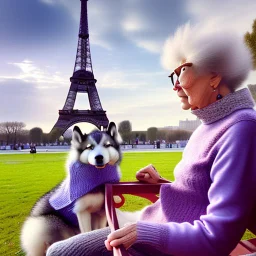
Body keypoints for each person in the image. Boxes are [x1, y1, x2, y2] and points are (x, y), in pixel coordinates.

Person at [46, 24, 256, 256]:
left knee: (60, 253)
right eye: (173, 76)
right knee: (58, 251)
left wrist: (144, 233)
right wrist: (163, 183)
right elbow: (201, 195)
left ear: (214, 75)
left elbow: (218, 236)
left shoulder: (241, 129)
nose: (175, 85)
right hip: (159, 228)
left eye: (182, 70)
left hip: (165, 242)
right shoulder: (213, 125)